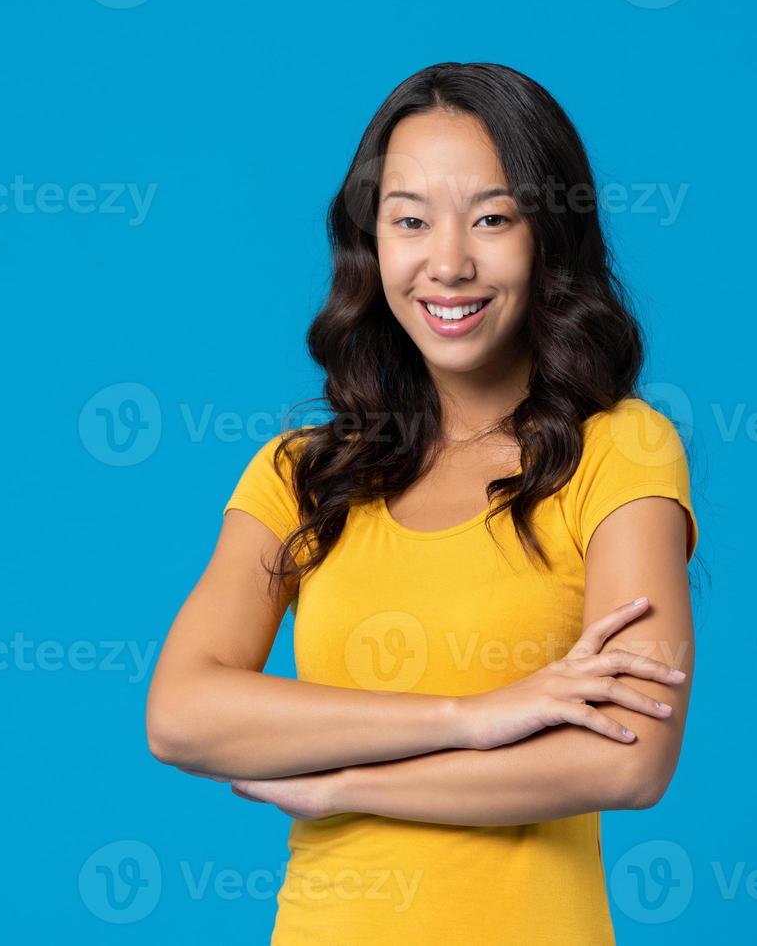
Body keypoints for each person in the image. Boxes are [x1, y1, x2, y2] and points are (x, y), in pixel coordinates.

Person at [146, 61, 699, 945]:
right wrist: (471, 719)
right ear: (373, 243)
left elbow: (625, 758)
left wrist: (344, 784)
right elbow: (181, 712)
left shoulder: (621, 451)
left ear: (549, 237)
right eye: (410, 221)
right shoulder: (301, 474)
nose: (448, 264)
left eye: (492, 218)